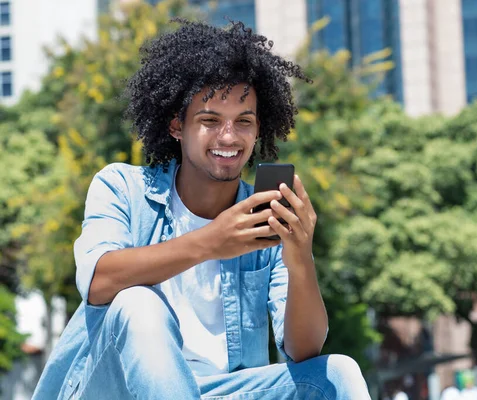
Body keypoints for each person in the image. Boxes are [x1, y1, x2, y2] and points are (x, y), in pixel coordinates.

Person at [32, 19, 370, 399]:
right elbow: (97, 282)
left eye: (244, 122)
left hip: (220, 390)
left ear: (259, 130)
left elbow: (303, 350)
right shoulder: (122, 187)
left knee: (338, 372)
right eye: (210, 120)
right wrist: (212, 241)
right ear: (177, 126)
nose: (228, 136)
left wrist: (301, 257)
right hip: (115, 387)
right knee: (137, 301)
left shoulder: (265, 217)